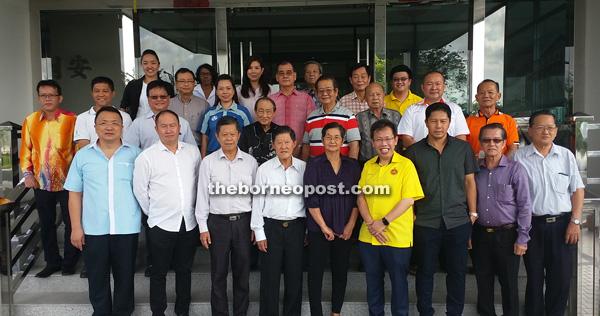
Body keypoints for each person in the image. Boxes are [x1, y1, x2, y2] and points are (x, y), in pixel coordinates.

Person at [65, 106, 141, 315]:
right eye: (104, 123)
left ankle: (123, 312)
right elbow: (74, 193)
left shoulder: (136, 154)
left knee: (125, 276)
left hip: (126, 226)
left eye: (115, 123)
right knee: (97, 277)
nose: (110, 127)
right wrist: (75, 228)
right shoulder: (82, 156)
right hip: (93, 228)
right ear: (95, 127)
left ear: (122, 127)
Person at [404, 102, 479, 316]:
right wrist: (413, 214)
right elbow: (408, 186)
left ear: (450, 122)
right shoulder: (414, 151)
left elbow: (470, 182)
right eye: (434, 121)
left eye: (443, 121)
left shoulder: (463, 149)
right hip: (426, 221)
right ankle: (425, 311)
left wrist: (473, 213)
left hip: (458, 220)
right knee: (425, 271)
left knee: (456, 272)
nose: (439, 125)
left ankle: (454, 312)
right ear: (426, 123)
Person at [512, 110, 585, 316]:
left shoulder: (565, 156)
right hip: (532, 226)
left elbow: (577, 189)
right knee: (533, 279)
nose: (546, 131)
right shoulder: (519, 158)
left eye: (551, 128)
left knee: (560, 279)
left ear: (555, 131)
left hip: (562, 226)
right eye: (541, 127)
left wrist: (575, 221)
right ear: (530, 130)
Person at [133, 109, 201, 316]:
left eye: (173, 125)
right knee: (158, 272)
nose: (169, 129)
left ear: (180, 128)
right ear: (156, 129)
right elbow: (140, 190)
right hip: (160, 224)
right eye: (164, 126)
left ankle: (182, 310)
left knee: (184, 271)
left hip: (188, 222)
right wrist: (154, 213)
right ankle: (158, 312)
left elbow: (199, 182)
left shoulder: (192, 152)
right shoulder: (147, 157)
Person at [357, 119, 424, 316]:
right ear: (372, 141)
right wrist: (371, 224)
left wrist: (383, 222)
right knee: (373, 281)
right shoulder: (369, 165)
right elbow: (360, 196)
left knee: (399, 283)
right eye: (379, 139)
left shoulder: (406, 165)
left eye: (388, 139)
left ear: (396, 140)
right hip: (369, 236)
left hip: (396, 236)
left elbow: (408, 200)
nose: (383, 143)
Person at [196, 116, 258, 316]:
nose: (229, 138)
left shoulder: (250, 162)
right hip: (218, 224)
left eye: (233, 134)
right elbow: (202, 196)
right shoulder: (208, 162)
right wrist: (203, 228)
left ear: (239, 135)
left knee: (242, 276)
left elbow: (257, 197)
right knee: (218, 276)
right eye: (224, 134)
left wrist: (255, 227)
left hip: (243, 223)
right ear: (217, 136)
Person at [20, 80, 80, 278]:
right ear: (38, 98)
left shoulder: (73, 120)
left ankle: (70, 262)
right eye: (43, 95)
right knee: (46, 224)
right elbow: (26, 151)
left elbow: (78, 151)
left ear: (59, 98)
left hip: (69, 181)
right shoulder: (30, 121)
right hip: (41, 182)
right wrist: (28, 175)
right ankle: (52, 262)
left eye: (51, 95)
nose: (47, 99)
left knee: (72, 222)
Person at [471, 123, 531, 316]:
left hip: (507, 234)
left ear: (505, 143)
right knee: (483, 281)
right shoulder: (474, 170)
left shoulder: (516, 170)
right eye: (487, 140)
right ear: (480, 143)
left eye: (497, 140)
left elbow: (525, 206)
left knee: (509, 283)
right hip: (480, 234)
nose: (492, 144)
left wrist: (523, 238)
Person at [303, 122, 360, 316]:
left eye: (337, 137)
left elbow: (356, 199)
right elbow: (310, 199)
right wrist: (324, 227)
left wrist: (351, 225)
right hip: (319, 228)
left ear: (343, 141)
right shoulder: (314, 164)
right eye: (329, 137)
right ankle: (316, 313)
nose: (333, 141)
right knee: (315, 273)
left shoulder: (352, 165)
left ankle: (336, 312)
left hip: (344, 228)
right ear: (323, 140)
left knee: (340, 272)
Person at [251, 126, 306, 316]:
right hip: (271, 228)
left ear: (295, 144)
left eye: (287, 142)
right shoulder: (264, 169)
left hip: (296, 229)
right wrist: (259, 232)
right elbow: (258, 201)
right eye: (279, 142)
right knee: (269, 278)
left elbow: (308, 201)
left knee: (294, 278)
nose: (283, 146)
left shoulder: (303, 168)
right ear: (273, 145)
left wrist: (306, 231)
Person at [397, 71, 470, 148]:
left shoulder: (455, 109)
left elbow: (461, 137)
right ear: (422, 87)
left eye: (438, 84)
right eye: (429, 84)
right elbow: (406, 139)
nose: (434, 88)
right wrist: (421, 154)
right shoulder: (411, 110)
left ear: (444, 86)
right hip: (418, 158)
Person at [124, 80, 196, 150]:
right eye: (154, 97)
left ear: (169, 98)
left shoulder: (182, 123)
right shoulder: (138, 124)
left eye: (163, 97)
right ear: (148, 99)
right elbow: (130, 150)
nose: (159, 100)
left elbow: (192, 150)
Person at [301, 76, 360, 161]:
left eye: (328, 90)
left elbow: (354, 145)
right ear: (317, 93)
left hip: (341, 168)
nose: (325, 94)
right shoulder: (311, 117)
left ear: (336, 92)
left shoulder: (348, 116)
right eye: (321, 91)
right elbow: (306, 145)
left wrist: (351, 167)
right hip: (316, 168)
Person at [197, 74, 252, 158]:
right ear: (216, 91)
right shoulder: (209, 113)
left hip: (237, 156)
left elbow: (248, 137)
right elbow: (204, 139)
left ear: (233, 91)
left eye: (228, 88)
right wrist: (203, 159)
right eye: (221, 89)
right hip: (212, 156)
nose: (225, 92)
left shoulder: (243, 112)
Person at [270, 61, 316, 158]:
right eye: (281, 73)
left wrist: (299, 146)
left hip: (302, 153)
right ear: (277, 77)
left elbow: (311, 126)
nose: (285, 76)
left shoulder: (306, 98)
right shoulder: (270, 100)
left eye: (289, 73)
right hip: (275, 153)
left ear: (294, 76)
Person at [466, 79, 519, 159]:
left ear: (498, 96)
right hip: (476, 168)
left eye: (490, 92)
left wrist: (501, 166)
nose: (486, 96)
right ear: (476, 97)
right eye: (482, 93)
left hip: (502, 169)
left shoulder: (508, 120)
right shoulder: (467, 122)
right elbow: (464, 150)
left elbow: (513, 148)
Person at [74, 76, 133, 148]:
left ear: (113, 93)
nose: (101, 94)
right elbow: (83, 146)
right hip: (91, 159)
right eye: (96, 91)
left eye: (105, 91)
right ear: (92, 93)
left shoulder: (125, 117)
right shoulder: (82, 118)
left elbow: (127, 144)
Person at [356, 82, 402, 166]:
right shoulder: (359, 118)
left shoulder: (396, 115)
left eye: (378, 94)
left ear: (384, 95)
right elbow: (356, 144)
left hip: (393, 164)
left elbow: (401, 141)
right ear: (365, 98)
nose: (375, 98)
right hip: (366, 164)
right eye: (371, 95)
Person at [120, 49, 170, 120]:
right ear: (142, 65)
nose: (149, 66)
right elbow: (123, 108)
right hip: (137, 126)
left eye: (153, 63)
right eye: (145, 63)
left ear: (158, 65)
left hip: (163, 124)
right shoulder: (133, 85)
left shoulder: (167, 86)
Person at [169, 68, 210, 147]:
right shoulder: (168, 104)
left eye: (189, 81)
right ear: (176, 84)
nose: (186, 84)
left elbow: (207, 132)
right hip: (173, 147)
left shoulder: (204, 104)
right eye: (182, 81)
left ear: (194, 83)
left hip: (198, 146)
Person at [240, 97, 279, 166]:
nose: (264, 115)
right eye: (261, 111)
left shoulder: (280, 132)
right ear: (255, 112)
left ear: (274, 113)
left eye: (268, 112)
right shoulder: (247, 131)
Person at [237, 55, 273, 122]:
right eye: (250, 68)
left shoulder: (271, 90)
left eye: (257, 68)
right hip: (246, 129)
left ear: (262, 70)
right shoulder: (238, 91)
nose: (253, 71)